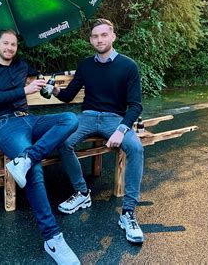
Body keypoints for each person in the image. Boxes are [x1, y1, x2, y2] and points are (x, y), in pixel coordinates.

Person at [0, 29, 81, 264]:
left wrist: (44, 85)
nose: (9, 48)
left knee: (70, 119)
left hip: (30, 119)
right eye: (5, 44)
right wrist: (24, 90)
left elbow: (41, 83)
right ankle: (53, 238)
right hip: (4, 125)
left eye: (13, 45)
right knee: (34, 170)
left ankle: (27, 157)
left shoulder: (22, 65)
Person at [53, 18, 145, 244]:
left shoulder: (128, 66)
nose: (99, 39)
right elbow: (67, 96)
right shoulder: (85, 65)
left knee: (135, 147)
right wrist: (52, 89)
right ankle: (82, 193)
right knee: (64, 142)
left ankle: (128, 213)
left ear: (113, 36)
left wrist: (121, 130)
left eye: (104, 35)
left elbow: (135, 106)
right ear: (91, 40)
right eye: (95, 36)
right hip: (87, 117)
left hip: (114, 119)